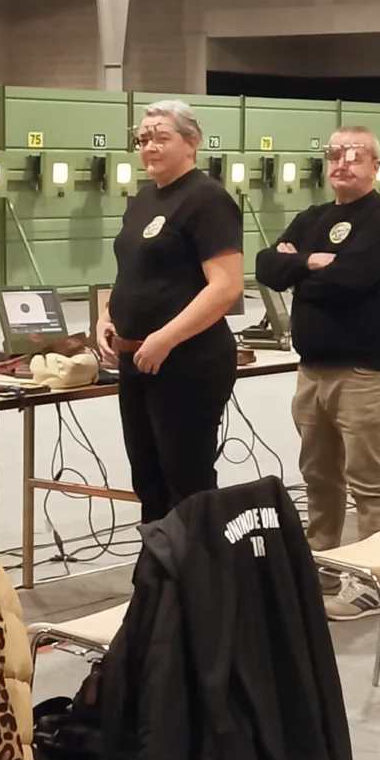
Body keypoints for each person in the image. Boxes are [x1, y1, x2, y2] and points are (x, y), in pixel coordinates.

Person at [256, 126, 380, 620]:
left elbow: (351, 279)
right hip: (312, 372)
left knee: (368, 481)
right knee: (319, 477)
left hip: (363, 372)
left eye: (355, 155)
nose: (342, 163)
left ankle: (371, 583)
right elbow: (266, 268)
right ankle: (321, 569)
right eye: (334, 154)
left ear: (376, 166)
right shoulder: (313, 218)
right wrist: (314, 261)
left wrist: (300, 269)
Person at [96, 100, 243, 522]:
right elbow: (134, 270)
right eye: (143, 139)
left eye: (161, 137)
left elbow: (226, 286)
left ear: (192, 142)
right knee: (148, 480)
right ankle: (158, 564)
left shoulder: (207, 200)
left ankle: (198, 564)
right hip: (136, 361)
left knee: (186, 481)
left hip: (186, 362)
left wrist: (166, 337)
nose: (150, 147)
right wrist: (107, 314)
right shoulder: (144, 198)